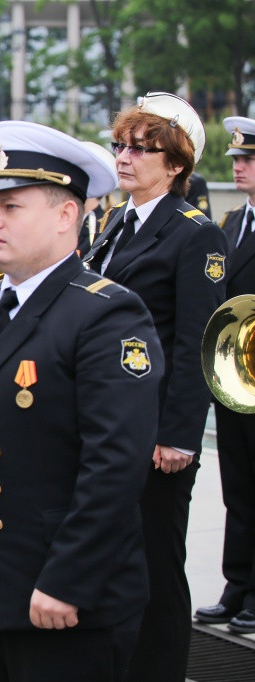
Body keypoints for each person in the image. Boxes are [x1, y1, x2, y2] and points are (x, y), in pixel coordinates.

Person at [0, 120, 162, 681]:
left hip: (59, 596)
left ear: (65, 215)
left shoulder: (107, 314)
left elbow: (114, 466)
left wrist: (66, 580)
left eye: (10, 206)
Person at [83, 92, 226, 682]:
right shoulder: (118, 219)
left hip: (156, 434)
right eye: (122, 144)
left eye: (144, 149)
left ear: (176, 165)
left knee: (157, 566)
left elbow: (201, 344)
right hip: (112, 420)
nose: (125, 156)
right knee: (114, 556)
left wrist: (177, 436)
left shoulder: (195, 235)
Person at [194, 116, 255, 634]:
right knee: (237, 484)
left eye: (248, 160)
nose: (238, 167)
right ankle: (238, 584)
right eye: (236, 159)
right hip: (237, 374)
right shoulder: (232, 224)